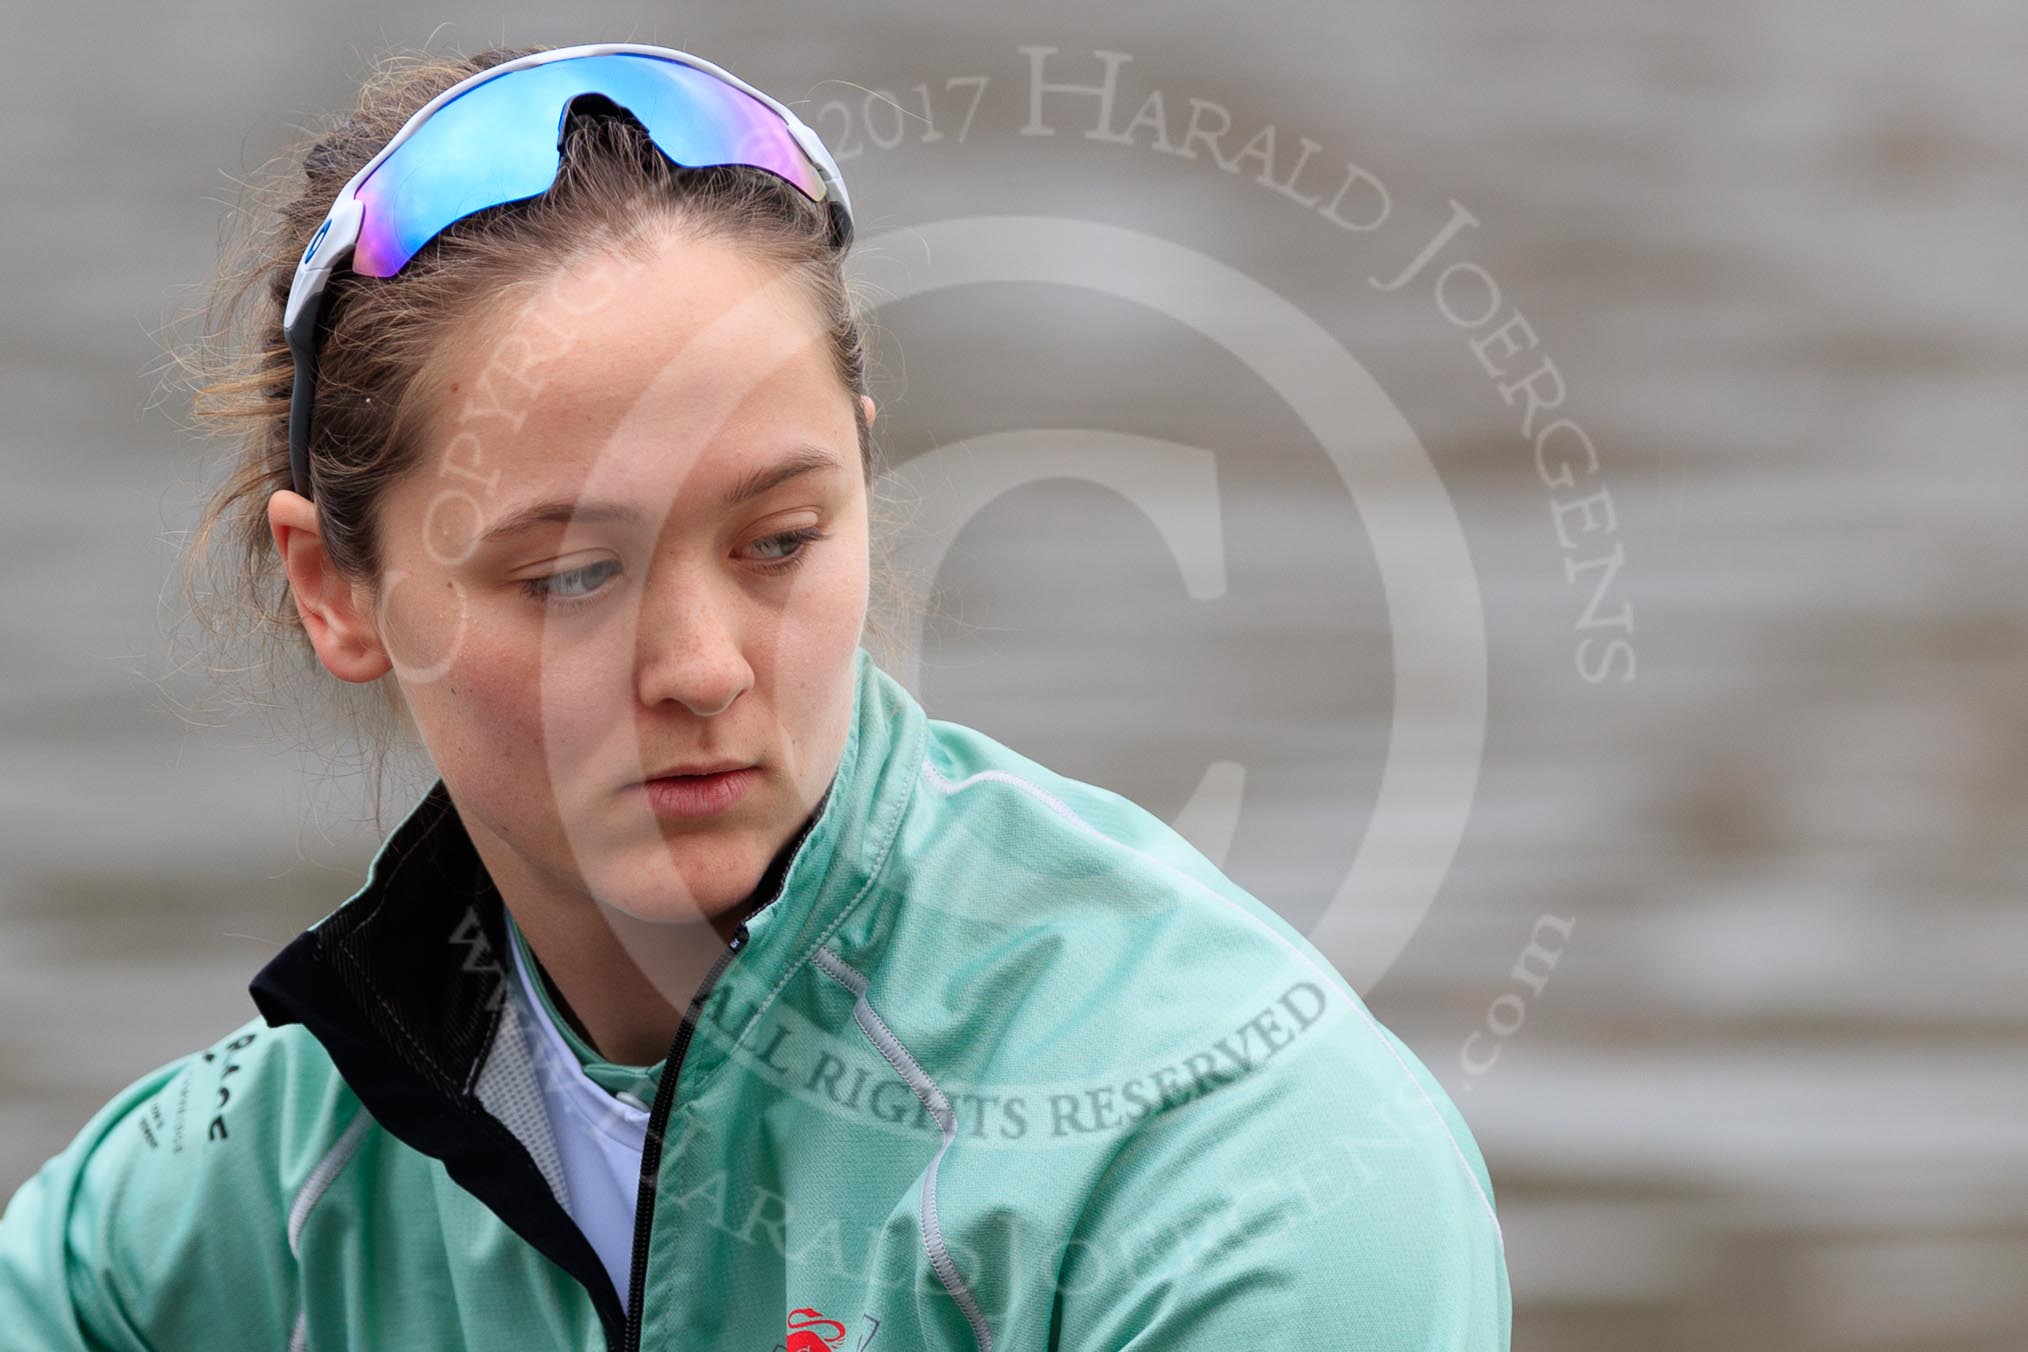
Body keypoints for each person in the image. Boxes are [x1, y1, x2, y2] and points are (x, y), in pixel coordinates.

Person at [0, 41, 1510, 1350]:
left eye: (779, 541)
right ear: (337, 592)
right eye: (571, 575)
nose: (706, 668)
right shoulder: (179, 1237)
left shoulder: (1245, 1166)